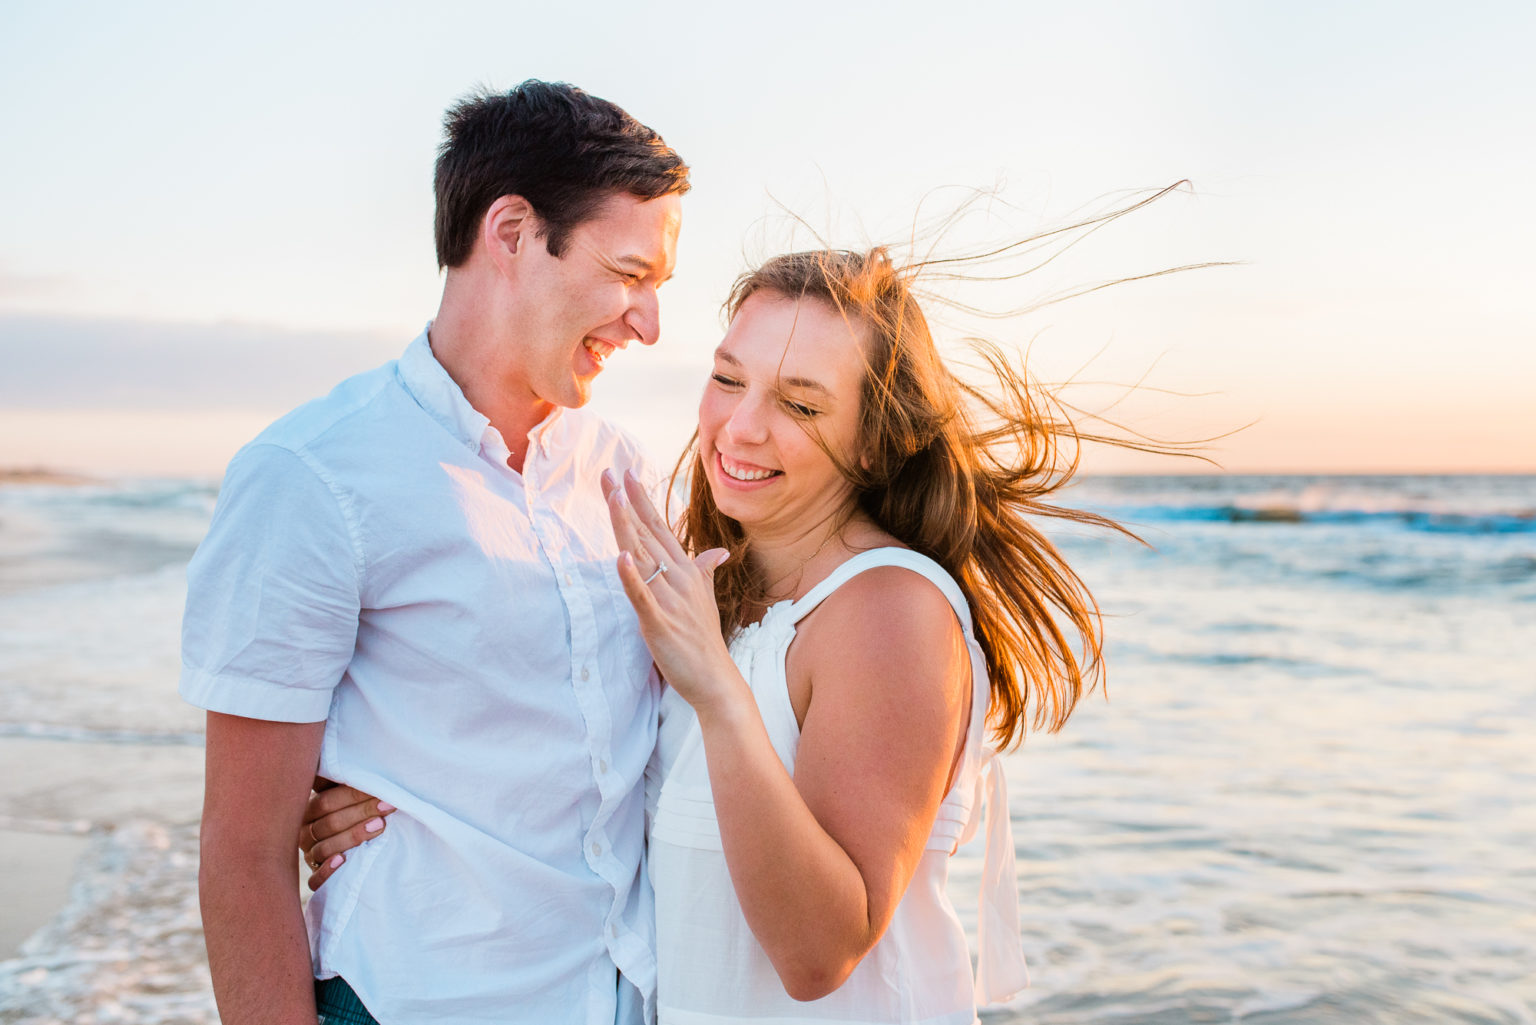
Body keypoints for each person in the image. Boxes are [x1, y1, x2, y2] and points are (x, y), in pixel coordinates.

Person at [309, 246, 1132, 1023]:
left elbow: (818, 951)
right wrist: (399, 804)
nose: (740, 427)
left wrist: (714, 686)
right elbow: (596, 775)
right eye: (727, 379)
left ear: (876, 440)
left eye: (801, 404)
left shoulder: (889, 608)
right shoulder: (719, 593)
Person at [180, 80, 688, 1025]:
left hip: (627, 999)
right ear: (510, 233)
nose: (650, 322)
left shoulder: (625, 474)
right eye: (629, 273)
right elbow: (242, 852)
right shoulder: (313, 476)